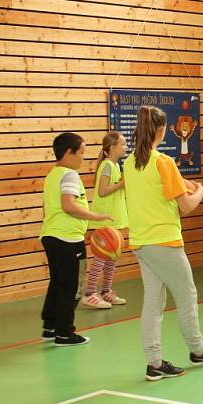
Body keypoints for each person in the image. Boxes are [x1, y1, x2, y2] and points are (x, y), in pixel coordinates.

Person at [124, 105, 203, 381]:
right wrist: (201, 191)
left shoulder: (131, 162)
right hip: (165, 242)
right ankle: (197, 349)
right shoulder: (163, 162)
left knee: (153, 303)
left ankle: (154, 362)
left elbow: (162, 187)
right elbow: (186, 206)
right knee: (187, 296)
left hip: (142, 243)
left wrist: (184, 184)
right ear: (162, 130)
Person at [40, 133, 113, 346]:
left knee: (58, 282)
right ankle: (65, 333)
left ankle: (50, 326)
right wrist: (97, 217)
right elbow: (68, 205)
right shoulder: (70, 175)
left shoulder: (53, 174)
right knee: (71, 286)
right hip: (68, 239)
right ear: (69, 153)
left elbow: (48, 207)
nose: (84, 157)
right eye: (81, 152)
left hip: (51, 235)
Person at [82, 131, 129, 310]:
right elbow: (102, 191)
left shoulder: (115, 166)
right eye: (123, 144)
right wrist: (122, 184)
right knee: (101, 258)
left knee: (112, 257)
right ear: (112, 147)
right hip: (104, 219)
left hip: (113, 219)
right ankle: (90, 293)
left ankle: (106, 291)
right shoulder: (108, 165)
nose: (126, 147)